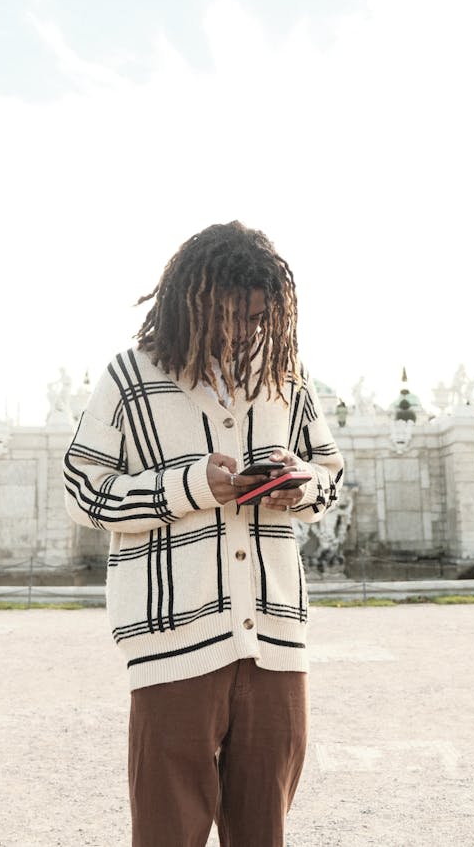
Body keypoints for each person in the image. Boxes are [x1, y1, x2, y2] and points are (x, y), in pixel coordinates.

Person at [63, 220, 344, 847]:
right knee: (167, 836)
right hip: (172, 645)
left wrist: (301, 486)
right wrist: (188, 486)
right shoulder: (129, 379)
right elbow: (83, 491)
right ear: (189, 299)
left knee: (264, 836)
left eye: (257, 317)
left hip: (275, 645)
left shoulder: (285, 376)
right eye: (230, 314)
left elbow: (330, 470)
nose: (244, 331)